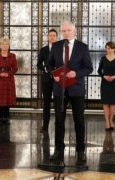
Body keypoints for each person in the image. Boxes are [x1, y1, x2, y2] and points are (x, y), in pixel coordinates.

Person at [47, 21, 93, 164]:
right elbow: (49, 65)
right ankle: (58, 149)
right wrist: (52, 74)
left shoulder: (82, 47)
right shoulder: (56, 46)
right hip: (60, 89)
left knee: (79, 120)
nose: (66, 33)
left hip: (76, 88)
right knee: (59, 121)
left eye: (68, 30)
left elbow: (89, 68)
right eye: (64, 30)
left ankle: (80, 151)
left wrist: (76, 73)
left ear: (74, 31)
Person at [0, 37, 18, 124]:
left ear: (9, 45)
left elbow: (15, 68)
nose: (5, 45)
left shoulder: (12, 56)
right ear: (0, 45)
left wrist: (8, 73)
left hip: (8, 80)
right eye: (3, 44)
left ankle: (6, 117)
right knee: (0, 100)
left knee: (7, 100)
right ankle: (1, 117)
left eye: (6, 44)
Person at [97, 42, 115, 131]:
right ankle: (107, 122)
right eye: (107, 48)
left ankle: (111, 121)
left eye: (111, 48)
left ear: (114, 49)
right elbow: (99, 70)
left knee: (112, 103)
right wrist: (104, 76)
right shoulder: (103, 59)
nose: (109, 50)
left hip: (114, 83)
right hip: (105, 83)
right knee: (105, 103)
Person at [37, 29, 58, 133]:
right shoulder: (43, 50)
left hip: (58, 80)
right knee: (46, 103)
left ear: (57, 37)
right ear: (48, 37)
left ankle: (58, 125)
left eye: (54, 35)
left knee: (58, 103)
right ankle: (45, 126)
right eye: (50, 35)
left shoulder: (61, 49)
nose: (52, 37)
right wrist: (45, 68)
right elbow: (38, 64)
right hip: (46, 80)